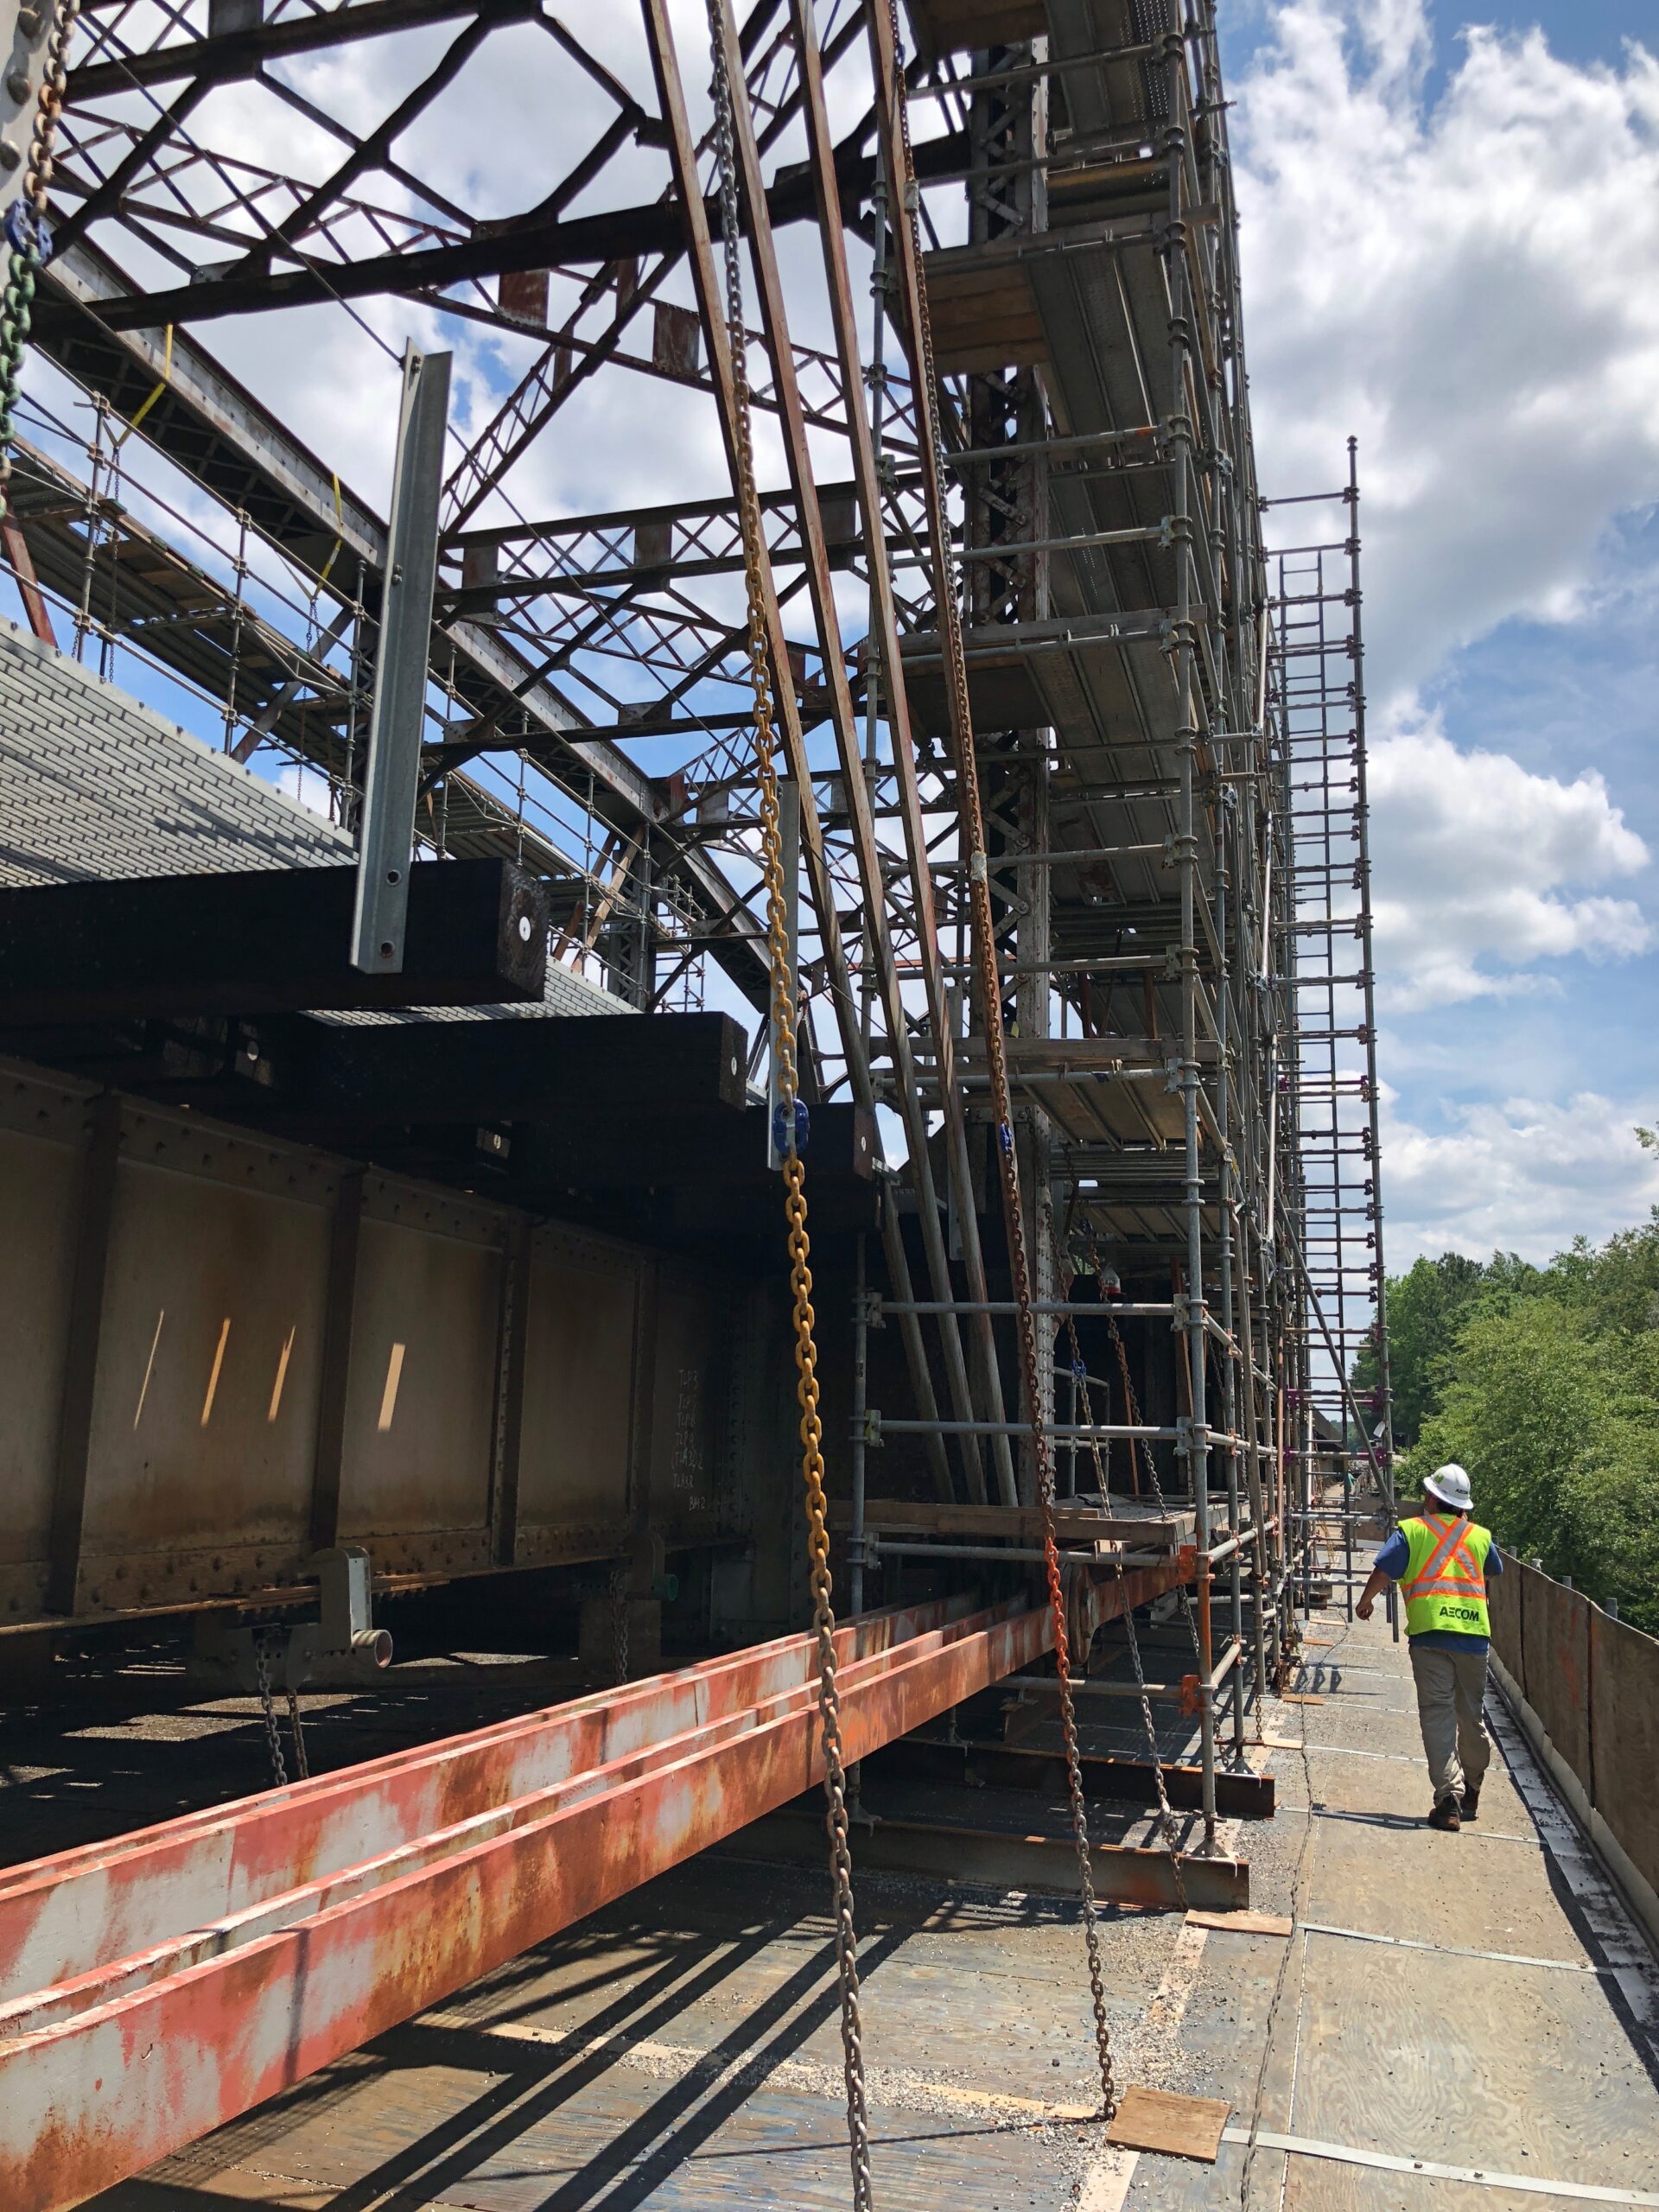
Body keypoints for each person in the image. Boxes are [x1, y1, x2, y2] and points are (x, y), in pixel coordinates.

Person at [1356, 1462, 1503, 1834]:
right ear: (1463, 1506)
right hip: (1473, 1637)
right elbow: (1491, 1569)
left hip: (1430, 1636)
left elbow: (1385, 1569)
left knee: (1438, 1715)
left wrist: (1366, 1600)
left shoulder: (1412, 1531)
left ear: (1432, 1498)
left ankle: (1449, 1799)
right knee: (1471, 1716)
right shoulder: (1480, 1536)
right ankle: (1472, 1787)